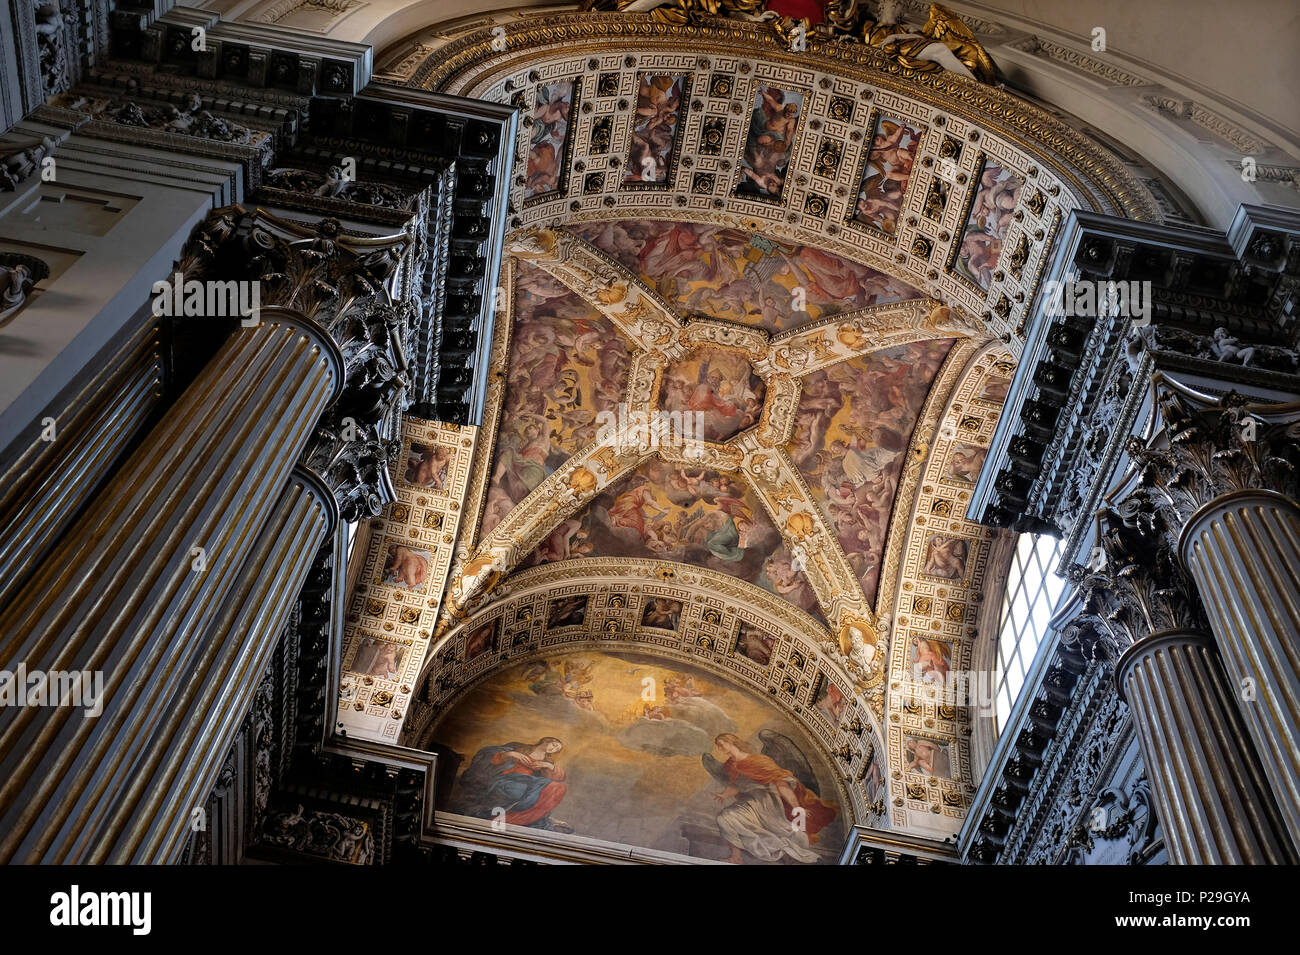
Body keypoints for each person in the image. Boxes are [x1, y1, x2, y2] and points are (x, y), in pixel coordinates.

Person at [710, 734, 837, 864]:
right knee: (725, 818)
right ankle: (736, 857)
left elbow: (781, 784)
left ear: (731, 742)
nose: (719, 748)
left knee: (779, 830)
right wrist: (724, 795)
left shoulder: (759, 761)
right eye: (717, 745)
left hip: (767, 802)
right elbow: (737, 785)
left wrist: (796, 806)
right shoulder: (730, 765)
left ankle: (789, 853)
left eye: (721, 744)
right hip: (749, 802)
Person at [453, 738, 572, 831]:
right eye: (554, 745)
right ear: (546, 740)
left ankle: (529, 815)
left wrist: (549, 766)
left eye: (557, 750)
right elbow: (487, 754)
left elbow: (560, 777)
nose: (554, 749)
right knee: (518, 790)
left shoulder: (547, 761)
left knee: (557, 787)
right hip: (506, 778)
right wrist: (510, 754)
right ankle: (524, 815)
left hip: (528, 783)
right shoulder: (518, 747)